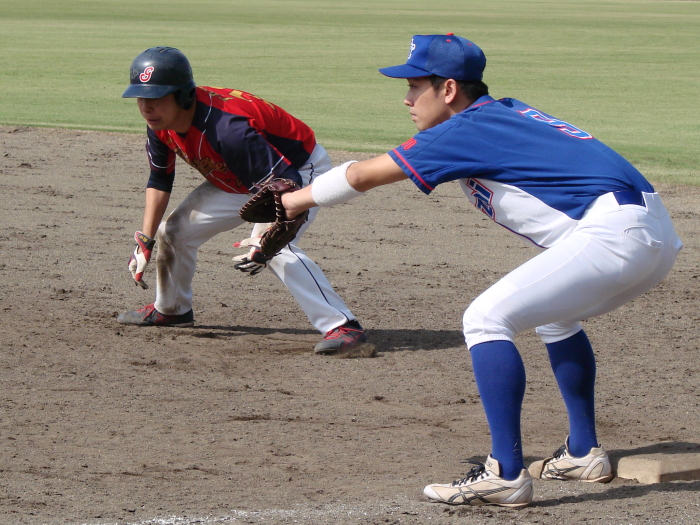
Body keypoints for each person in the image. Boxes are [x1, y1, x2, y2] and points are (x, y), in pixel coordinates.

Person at [280, 34, 683, 507]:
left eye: (415, 85)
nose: (407, 98)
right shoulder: (502, 114)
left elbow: (362, 175)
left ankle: (504, 475)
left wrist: (291, 202)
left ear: (449, 89)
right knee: (556, 319)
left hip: (616, 234)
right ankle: (583, 453)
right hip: (648, 234)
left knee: (485, 319)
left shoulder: (467, 127)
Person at [117, 46, 370, 356]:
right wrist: (145, 239)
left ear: (183, 96)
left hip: (294, 170)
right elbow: (160, 179)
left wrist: (269, 236)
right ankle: (171, 309)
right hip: (240, 173)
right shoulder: (160, 124)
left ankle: (343, 325)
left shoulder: (228, 129)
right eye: (141, 98)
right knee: (173, 232)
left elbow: (286, 184)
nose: (146, 107)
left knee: (274, 245)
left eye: (156, 97)